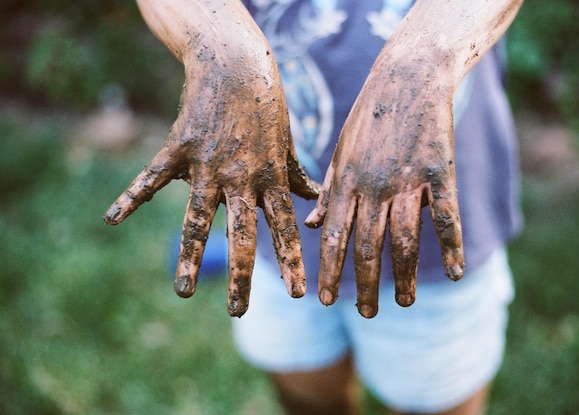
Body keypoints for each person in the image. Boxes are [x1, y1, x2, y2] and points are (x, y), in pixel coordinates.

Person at [105, 1, 524, 414]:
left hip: (426, 225)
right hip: (277, 229)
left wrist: (422, 59)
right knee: (308, 396)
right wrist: (224, 53)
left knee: (434, 400)